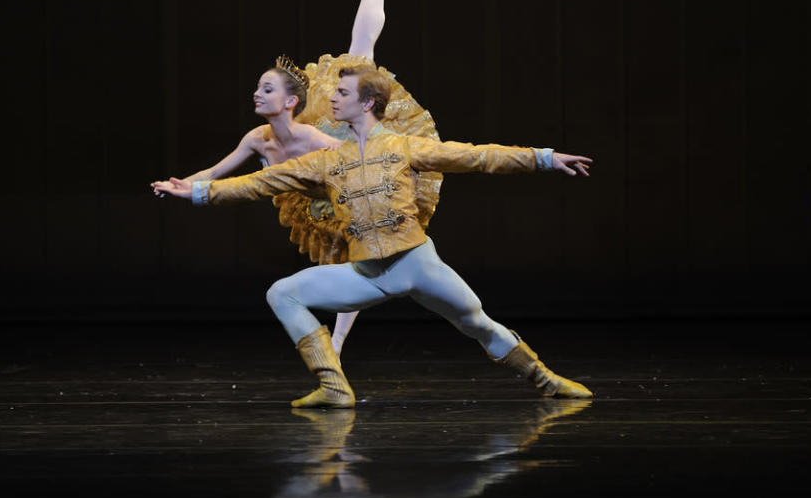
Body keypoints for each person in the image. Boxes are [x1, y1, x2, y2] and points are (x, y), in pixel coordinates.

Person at [152, 66, 595, 407]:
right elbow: (258, 183)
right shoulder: (328, 160)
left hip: (418, 265)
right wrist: (197, 190)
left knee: (475, 322)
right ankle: (333, 386)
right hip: (368, 272)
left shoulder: (402, 147)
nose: (332, 98)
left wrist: (544, 157)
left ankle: (546, 380)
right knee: (282, 293)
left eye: (342, 93)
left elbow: (477, 157)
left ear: (367, 104)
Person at [151, 0, 443, 357]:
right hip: (313, 193)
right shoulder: (257, 138)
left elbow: (354, 163)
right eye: (258, 88)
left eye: (266, 89)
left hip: (346, 167)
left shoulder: (321, 136)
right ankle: (337, 340)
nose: (256, 93)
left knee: (361, 55)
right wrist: (184, 186)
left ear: (289, 102)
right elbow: (217, 171)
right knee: (343, 256)